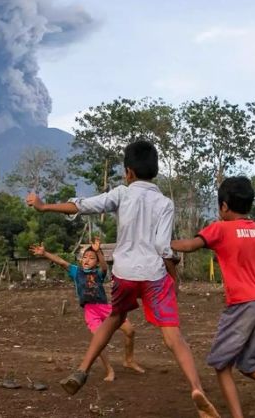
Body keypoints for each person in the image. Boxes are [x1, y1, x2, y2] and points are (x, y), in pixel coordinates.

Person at [26, 140, 219, 418]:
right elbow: (165, 249)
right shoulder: (165, 203)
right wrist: (174, 279)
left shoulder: (122, 194)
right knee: (172, 334)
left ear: (128, 172)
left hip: (125, 274)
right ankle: (196, 387)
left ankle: (82, 370)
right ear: (155, 171)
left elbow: (83, 205)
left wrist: (44, 207)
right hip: (154, 275)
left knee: (114, 318)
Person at [171, 176, 255, 418]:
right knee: (251, 364)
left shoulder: (220, 228)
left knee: (221, 364)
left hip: (242, 305)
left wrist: (163, 243)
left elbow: (191, 245)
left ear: (224, 206)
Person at [30, 236, 145, 381]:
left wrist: (99, 252)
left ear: (96, 262)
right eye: (85, 257)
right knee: (99, 340)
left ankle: (128, 360)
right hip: (90, 310)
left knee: (130, 330)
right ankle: (109, 370)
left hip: (105, 307)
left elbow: (104, 267)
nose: (87, 260)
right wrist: (45, 253)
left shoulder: (98, 273)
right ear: (81, 259)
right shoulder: (76, 271)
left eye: (92, 258)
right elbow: (61, 262)